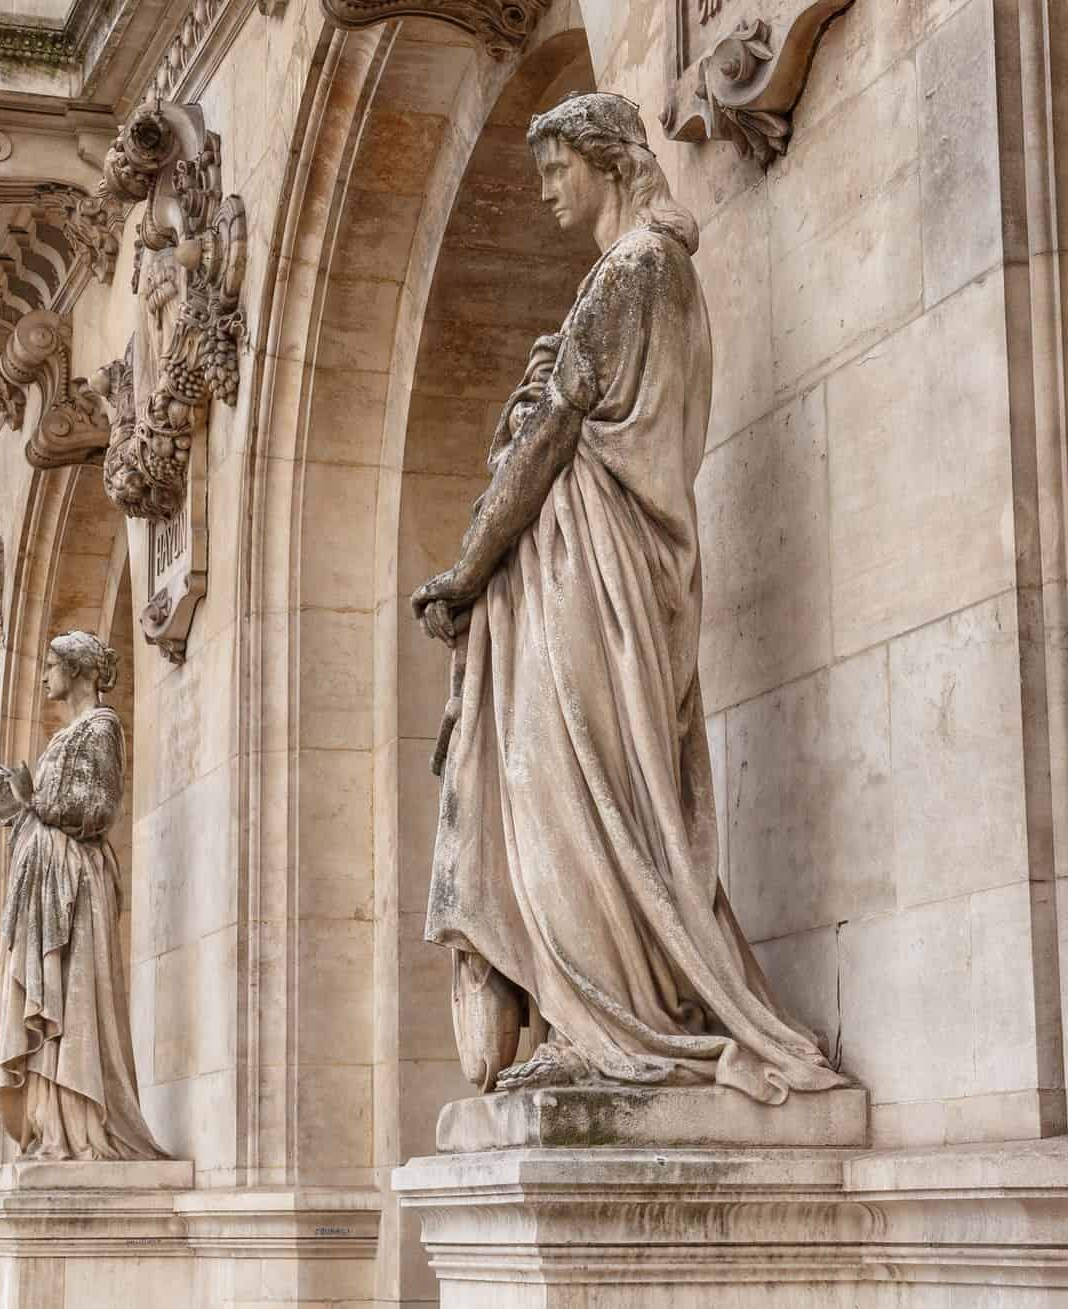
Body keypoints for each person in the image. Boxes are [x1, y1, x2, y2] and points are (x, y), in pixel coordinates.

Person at [410, 92, 850, 1103]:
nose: (545, 188)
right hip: (598, 570)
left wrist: (467, 569)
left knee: (566, 787)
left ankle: (616, 1014)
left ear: (605, 162)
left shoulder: (635, 273)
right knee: (580, 787)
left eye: (557, 168)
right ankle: (595, 1011)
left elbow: (547, 440)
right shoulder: (649, 275)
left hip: (590, 574)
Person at [0, 631, 166, 1160]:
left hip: (74, 881)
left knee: (71, 997)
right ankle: (52, 1125)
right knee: (50, 995)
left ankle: (81, 1126)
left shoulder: (101, 728)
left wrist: (34, 799)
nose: (42, 677)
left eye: (50, 665)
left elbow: (99, 806)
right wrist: (18, 804)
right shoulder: (65, 736)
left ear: (76, 669)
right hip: (47, 879)